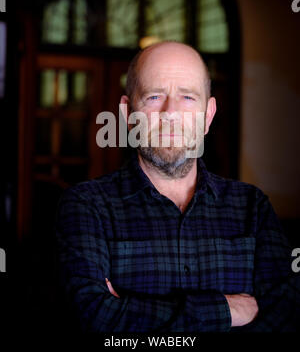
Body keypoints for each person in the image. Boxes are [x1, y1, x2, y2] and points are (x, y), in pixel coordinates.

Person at [55, 41, 300, 332]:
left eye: (187, 97)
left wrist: (130, 314)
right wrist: (226, 310)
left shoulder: (253, 207)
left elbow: (286, 317)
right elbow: (95, 318)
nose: (170, 113)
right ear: (127, 114)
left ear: (208, 116)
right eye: (154, 97)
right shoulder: (86, 207)